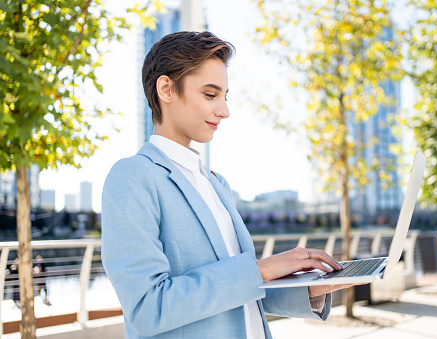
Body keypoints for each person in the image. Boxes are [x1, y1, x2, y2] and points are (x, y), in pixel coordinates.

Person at [101, 31, 358, 339]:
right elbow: (147, 308)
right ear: (166, 89)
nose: (224, 111)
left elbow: (236, 291)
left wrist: (313, 289)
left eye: (225, 97)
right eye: (210, 95)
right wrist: (260, 269)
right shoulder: (134, 176)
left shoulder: (215, 182)